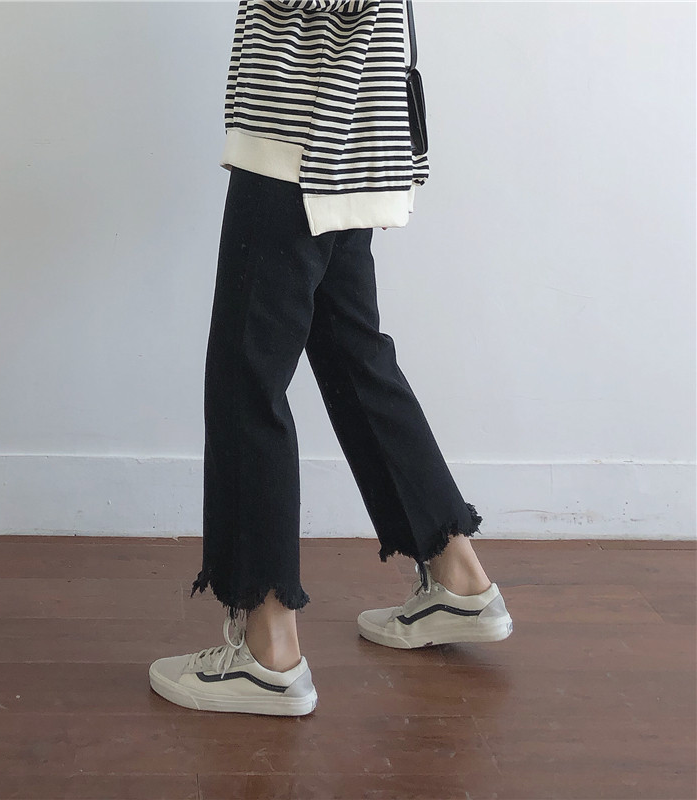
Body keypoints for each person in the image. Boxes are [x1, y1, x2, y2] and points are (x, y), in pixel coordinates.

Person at [149, 0, 512, 716]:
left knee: (247, 378)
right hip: (350, 130)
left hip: (301, 134)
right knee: (351, 355)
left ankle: (267, 650)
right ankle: (457, 577)